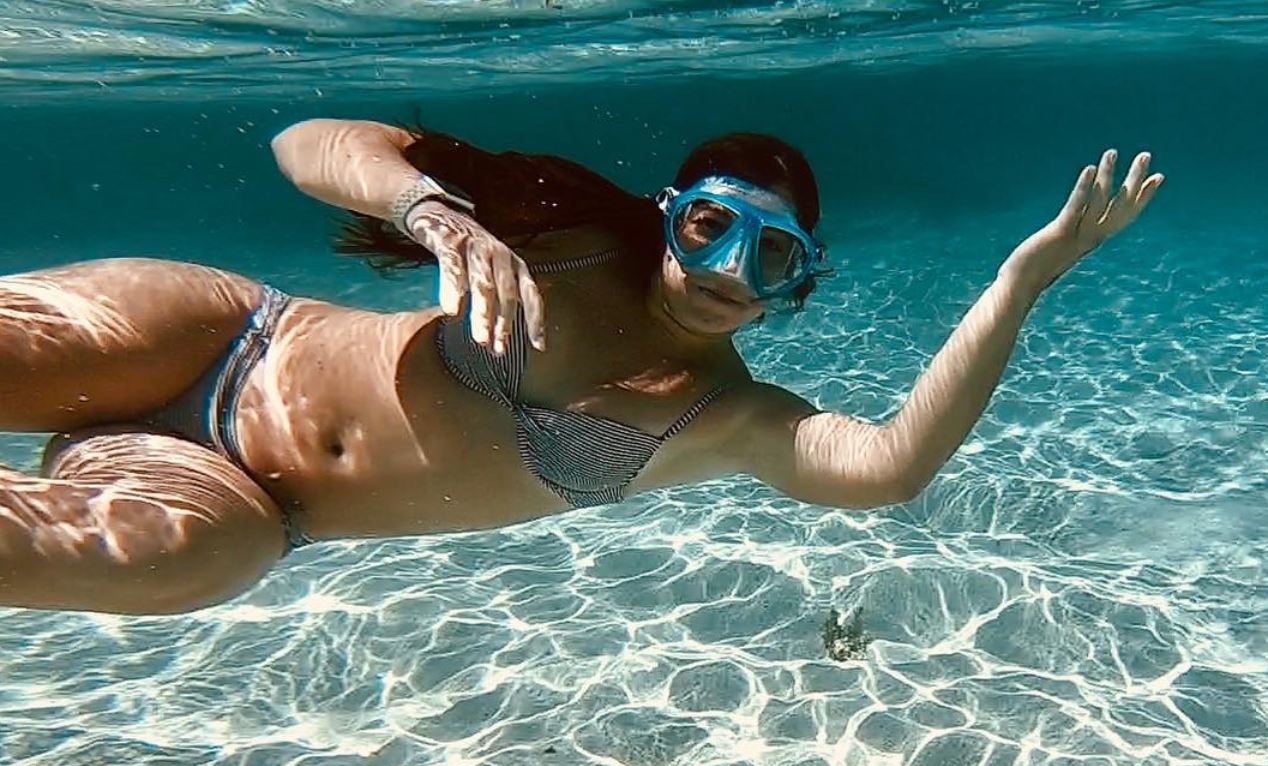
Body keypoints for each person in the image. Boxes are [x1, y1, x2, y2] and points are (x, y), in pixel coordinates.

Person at [0, 120, 1162, 615]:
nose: (726, 268)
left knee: (171, 565)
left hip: (244, 500)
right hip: (223, 335)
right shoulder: (565, 231)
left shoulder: (723, 413)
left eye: (770, 255)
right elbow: (303, 145)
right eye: (711, 226)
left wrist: (1022, 280)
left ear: (793, 282)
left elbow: (890, 465)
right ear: (670, 215)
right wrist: (429, 213)